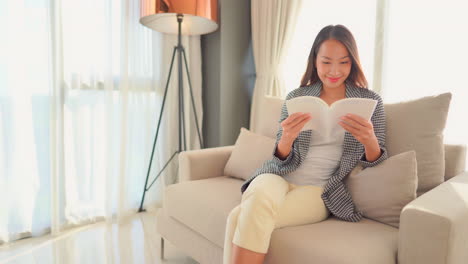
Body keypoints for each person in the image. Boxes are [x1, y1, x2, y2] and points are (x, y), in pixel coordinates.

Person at [223, 24, 389, 264]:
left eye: (343, 62)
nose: (334, 70)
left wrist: (369, 140)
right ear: (314, 61)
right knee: (255, 203)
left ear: (352, 62)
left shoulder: (370, 101)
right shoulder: (296, 97)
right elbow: (280, 156)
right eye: (326, 62)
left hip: (320, 191)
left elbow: (378, 159)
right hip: (278, 176)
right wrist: (287, 138)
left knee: (239, 216)